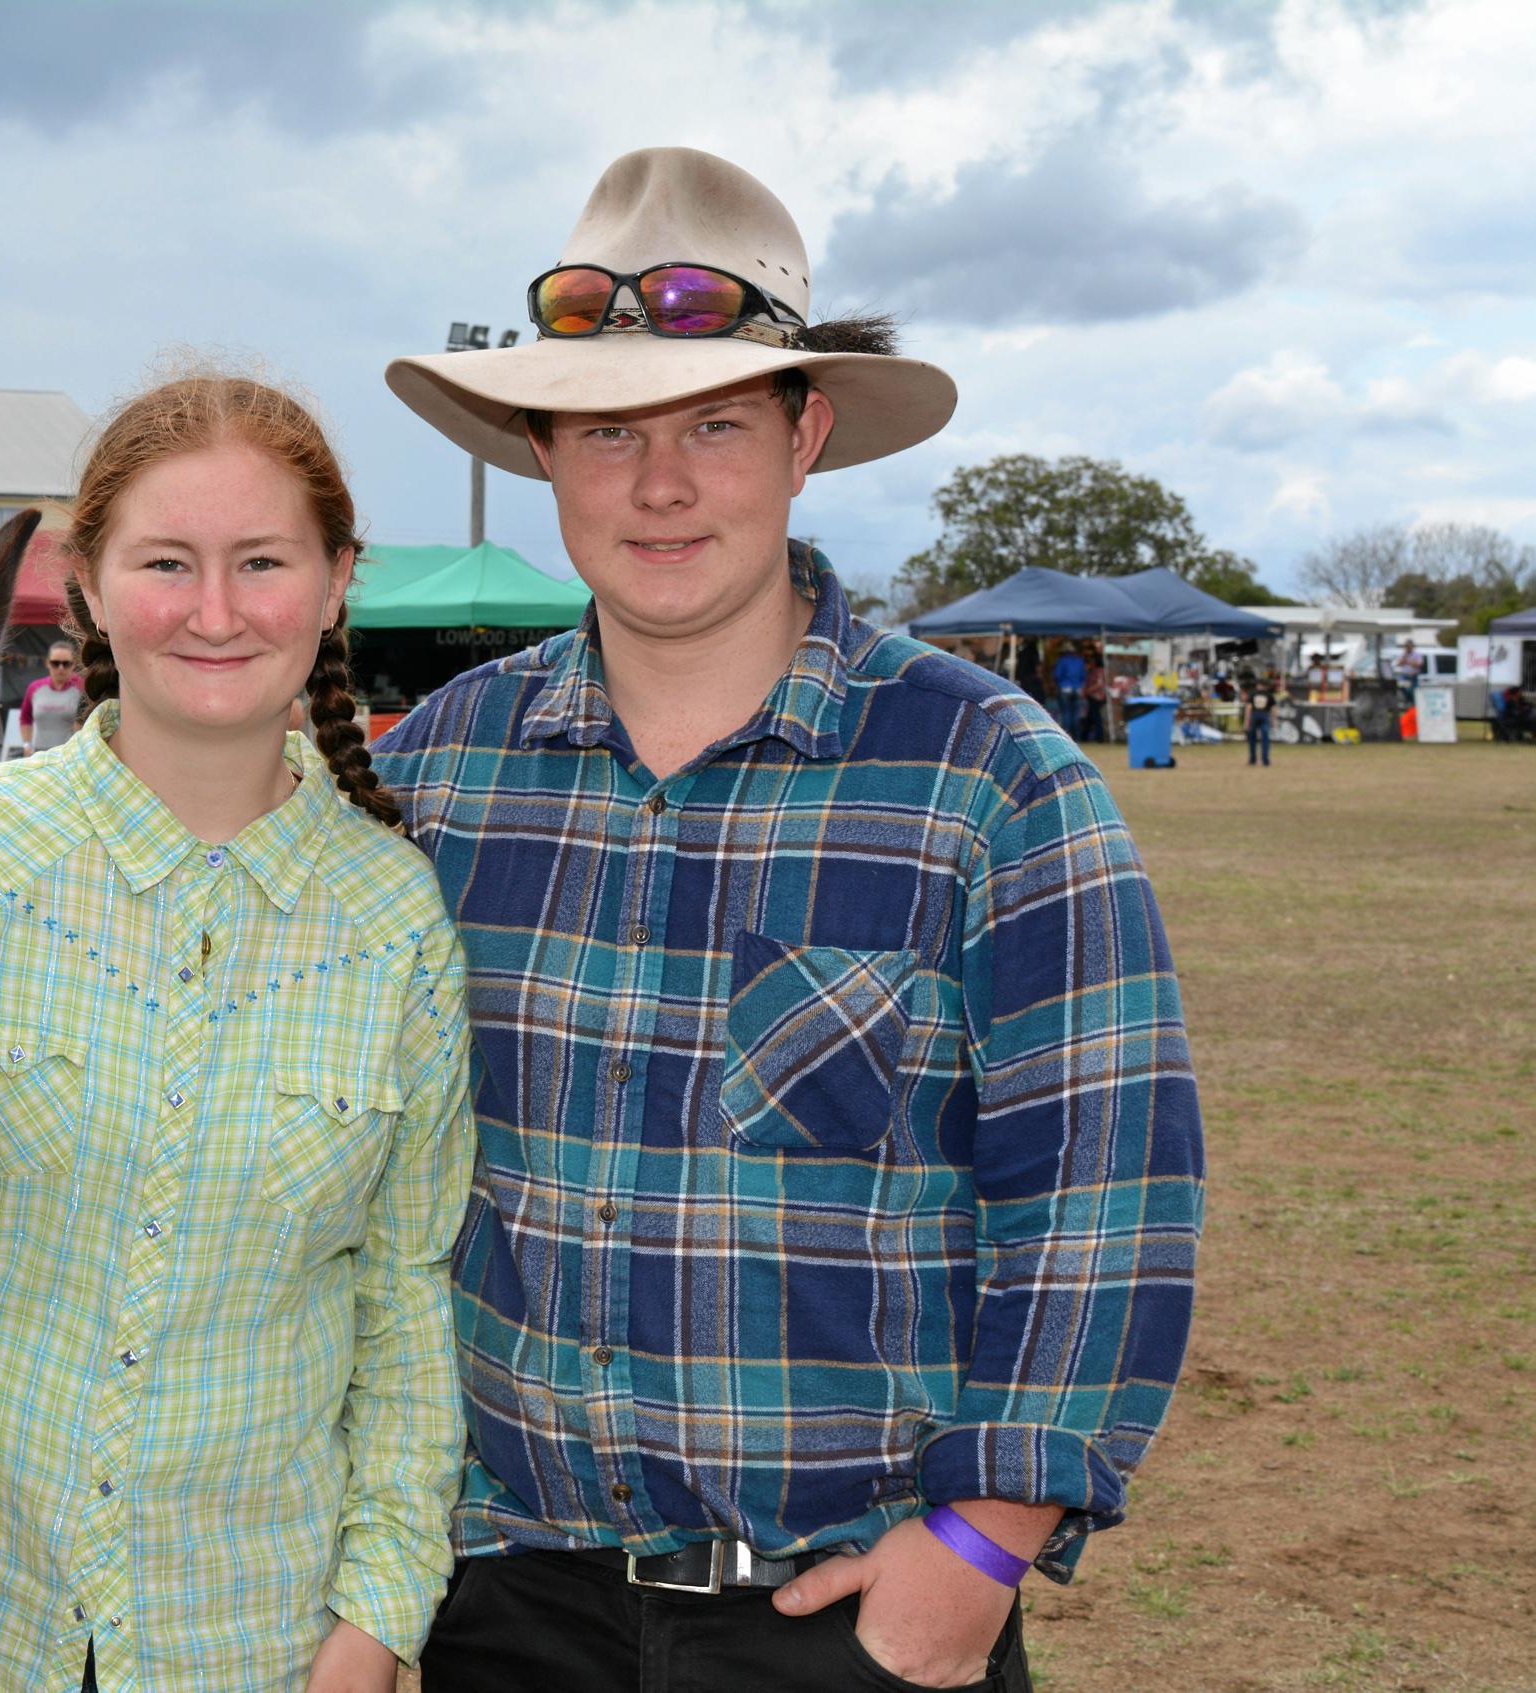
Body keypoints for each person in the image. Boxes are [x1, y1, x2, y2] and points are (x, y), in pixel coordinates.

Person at [374, 147, 1204, 1693]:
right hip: (502, 1607)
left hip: (846, 1620)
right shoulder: (426, 782)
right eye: (607, 430)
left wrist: (973, 1556)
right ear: (545, 451)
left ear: (803, 434)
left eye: (713, 425)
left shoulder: (986, 777)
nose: (660, 484)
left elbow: (1104, 1198)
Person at [0, 373, 475, 1693]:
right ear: (84, 583)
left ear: (336, 580)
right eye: (165, 563)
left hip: (256, 1640)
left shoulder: (395, 920)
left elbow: (403, 1302)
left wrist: (375, 1619)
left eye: (261, 562)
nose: (213, 611)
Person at [19, 637, 87, 753]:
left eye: (66, 664)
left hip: (70, 754)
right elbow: (25, 718)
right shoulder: (35, 688)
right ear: (47, 663)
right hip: (39, 754)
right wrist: (27, 744)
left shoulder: (82, 687)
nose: (60, 668)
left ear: (73, 664)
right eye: (55, 663)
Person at [1051, 641, 1086, 736]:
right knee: (1075, 713)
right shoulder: (1080, 661)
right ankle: (1076, 735)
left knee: (1065, 712)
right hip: (1077, 688)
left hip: (1065, 687)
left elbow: (1057, 675)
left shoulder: (1062, 660)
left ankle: (1066, 734)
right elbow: (1083, 676)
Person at [1246, 671, 1275, 766]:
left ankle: (1252, 759)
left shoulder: (1252, 693)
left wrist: (1247, 721)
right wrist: (1273, 720)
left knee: (1252, 739)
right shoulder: (1269, 694)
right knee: (1265, 739)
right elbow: (1274, 709)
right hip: (1265, 715)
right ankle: (1265, 760)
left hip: (1255, 715)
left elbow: (1249, 708)